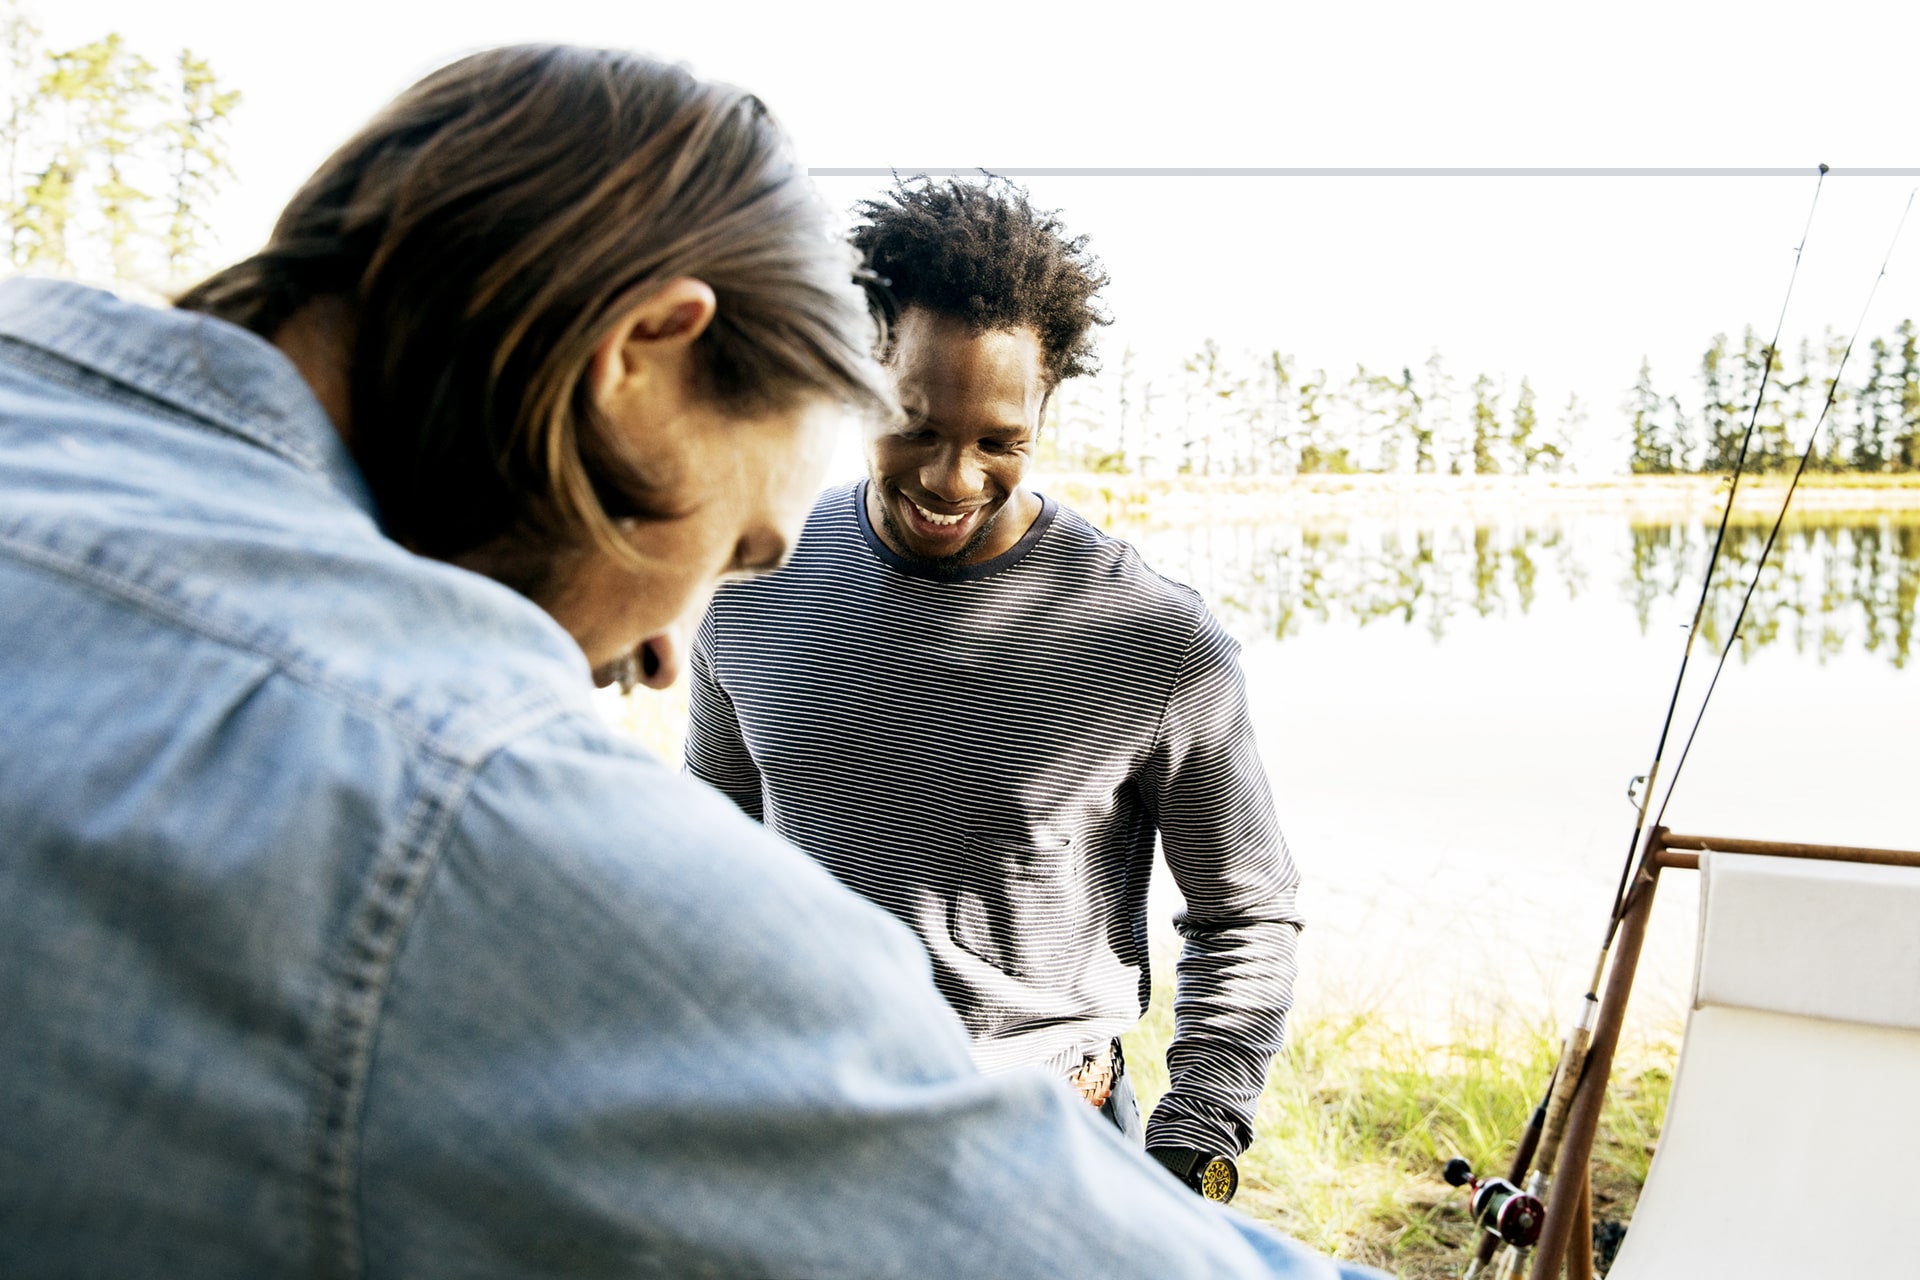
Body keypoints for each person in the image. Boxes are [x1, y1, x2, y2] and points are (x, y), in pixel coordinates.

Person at [0, 47, 1380, 1279]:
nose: (667, 653)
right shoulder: (464, 806)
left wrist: (1192, 1131)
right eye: (729, 548)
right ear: (640, 356)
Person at [686, 177, 1304, 1197]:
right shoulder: (754, 579)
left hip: (1054, 1152)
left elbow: (1247, 912)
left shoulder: (1157, 641)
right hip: (806, 1130)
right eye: (916, 427)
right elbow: (713, 853)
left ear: (1044, 413)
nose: (952, 478)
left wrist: (1191, 1143)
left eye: (999, 442)